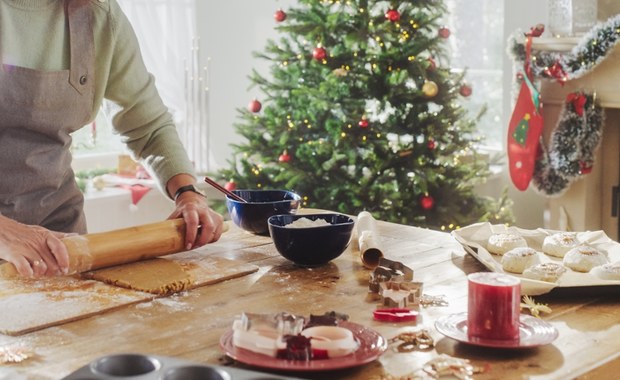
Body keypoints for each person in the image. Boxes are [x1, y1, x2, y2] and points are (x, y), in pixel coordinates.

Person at [0, 0, 224, 277]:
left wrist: (188, 195)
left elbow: (148, 125)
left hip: (60, 244)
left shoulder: (98, 13)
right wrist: (6, 232)